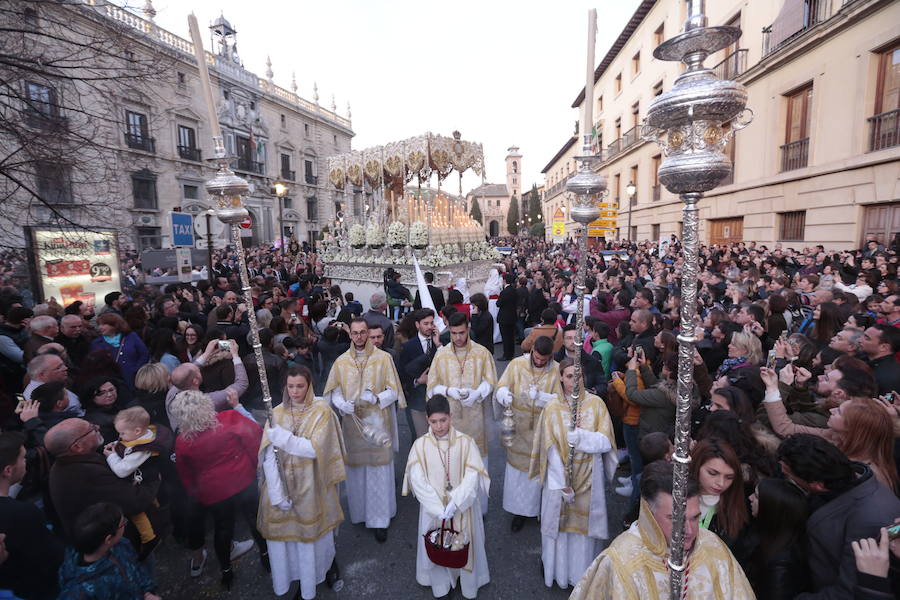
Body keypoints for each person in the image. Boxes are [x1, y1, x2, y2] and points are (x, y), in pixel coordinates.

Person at [570, 460, 754, 599]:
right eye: (675, 520)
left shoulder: (713, 547)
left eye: (695, 517)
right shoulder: (619, 561)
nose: (689, 531)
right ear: (649, 514)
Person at [528, 358, 618, 589]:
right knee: (560, 529)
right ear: (560, 377)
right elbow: (547, 448)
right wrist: (560, 483)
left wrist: (583, 439)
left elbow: (607, 441)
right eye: (569, 376)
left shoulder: (596, 404)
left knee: (582, 534)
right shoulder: (552, 407)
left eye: (578, 376)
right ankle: (556, 572)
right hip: (558, 480)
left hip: (590, 475)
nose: (574, 381)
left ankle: (581, 576)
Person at [257, 366, 345, 599]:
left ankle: (321, 574)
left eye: (300, 386)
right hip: (282, 487)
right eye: (291, 386)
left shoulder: (321, 412)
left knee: (315, 539)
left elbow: (314, 449)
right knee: (287, 542)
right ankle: (295, 579)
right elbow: (268, 457)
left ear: (309, 386)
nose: (295, 391)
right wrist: (276, 494)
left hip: (311, 485)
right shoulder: (275, 413)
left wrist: (283, 439)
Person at [778, 434, 900, 598]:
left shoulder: (869, 520)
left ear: (818, 485)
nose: (787, 477)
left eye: (790, 476)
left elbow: (851, 591)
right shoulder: (843, 479)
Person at [170, 390, 266, 589]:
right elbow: (255, 438)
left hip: (213, 491)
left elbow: (185, 472)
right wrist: (259, 468)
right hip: (242, 480)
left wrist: (196, 493)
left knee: (223, 529)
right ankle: (266, 557)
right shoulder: (229, 418)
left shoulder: (182, 441)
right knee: (255, 519)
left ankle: (226, 572)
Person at [323, 318, 405, 543]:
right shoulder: (341, 362)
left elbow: (394, 390)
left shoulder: (383, 358)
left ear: (369, 334)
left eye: (363, 333)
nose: (359, 337)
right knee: (357, 472)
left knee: (378, 472)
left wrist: (378, 397)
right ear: (350, 334)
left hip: (378, 423)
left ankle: (380, 520)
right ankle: (360, 514)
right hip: (353, 426)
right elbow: (334, 389)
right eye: (355, 333)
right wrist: (340, 404)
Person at [402, 395, 490, 599]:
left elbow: (472, 475)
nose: (439, 426)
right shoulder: (420, 446)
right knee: (437, 543)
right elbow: (417, 479)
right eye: (434, 421)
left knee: (463, 543)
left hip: (461, 506)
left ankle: (466, 582)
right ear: (427, 419)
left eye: (443, 420)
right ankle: (441, 584)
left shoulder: (466, 442)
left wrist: (456, 502)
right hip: (434, 509)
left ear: (451, 417)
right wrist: (436, 507)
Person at [45, 418, 159, 541]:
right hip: (111, 544)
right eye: (92, 429)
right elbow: (135, 501)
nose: (98, 427)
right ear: (77, 447)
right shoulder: (84, 474)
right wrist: (154, 477)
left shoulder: (68, 464)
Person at [427, 312, 497, 510]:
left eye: (462, 333)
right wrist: (449, 391)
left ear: (468, 329)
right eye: (454, 332)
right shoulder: (441, 354)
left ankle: (478, 507)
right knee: (452, 463)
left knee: (476, 462)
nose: (458, 337)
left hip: (476, 419)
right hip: (450, 420)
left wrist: (478, 393)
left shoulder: (482, 352)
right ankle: (454, 504)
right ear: (449, 330)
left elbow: (491, 381)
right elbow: (432, 386)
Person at [494, 336, 563, 532]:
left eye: (544, 359)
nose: (540, 362)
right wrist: (503, 395)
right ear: (532, 349)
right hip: (518, 428)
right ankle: (519, 512)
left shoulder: (557, 370)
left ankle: (538, 509)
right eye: (537, 357)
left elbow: (563, 401)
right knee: (518, 474)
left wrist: (543, 398)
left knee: (538, 474)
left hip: (542, 432)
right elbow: (502, 385)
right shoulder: (517, 364)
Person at [103, 406, 173, 560]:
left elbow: (122, 470)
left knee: (136, 511)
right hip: (148, 479)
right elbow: (127, 443)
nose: (120, 436)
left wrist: (111, 456)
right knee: (152, 504)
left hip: (144, 482)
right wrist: (117, 444)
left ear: (137, 431)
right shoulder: (141, 435)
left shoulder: (142, 450)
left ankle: (149, 538)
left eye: (122, 433)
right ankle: (159, 516)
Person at [0, 431, 64, 600]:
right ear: (8, 470)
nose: (26, 461)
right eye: (23, 458)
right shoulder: (22, 514)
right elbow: (53, 558)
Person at [57, 503, 160, 600]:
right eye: (122, 522)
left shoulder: (122, 544)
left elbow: (136, 568)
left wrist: (148, 591)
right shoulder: (79, 590)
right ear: (108, 539)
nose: (125, 522)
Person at [745, 478, 810, 600]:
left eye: (757, 496)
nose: (750, 498)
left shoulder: (781, 563)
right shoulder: (765, 533)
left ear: (771, 507)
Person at [165, 338, 248, 431]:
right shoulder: (207, 401)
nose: (199, 368)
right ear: (195, 381)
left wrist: (207, 353)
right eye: (198, 371)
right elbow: (241, 384)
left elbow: (188, 371)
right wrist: (235, 355)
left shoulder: (171, 393)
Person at [689, 438, 750, 560]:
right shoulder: (671, 495)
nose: (721, 483)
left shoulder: (735, 508)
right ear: (696, 466)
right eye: (712, 473)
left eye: (729, 477)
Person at [399, 309, 440, 440]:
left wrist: (438, 344)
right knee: (418, 438)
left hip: (437, 398)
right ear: (417, 325)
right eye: (425, 323)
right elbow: (402, 374)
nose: (429, 327)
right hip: (416, 400)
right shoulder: (408, 346)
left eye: (431, 323)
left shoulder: (439, 343)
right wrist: (418, 381)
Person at [89, 312, 149, 390]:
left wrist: (136, 369)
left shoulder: (131, 336)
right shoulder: (96, 343)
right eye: (99, 325)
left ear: (114, 325)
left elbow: (144, 354)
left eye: (103, 324)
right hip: (113, 383)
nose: (100, 327)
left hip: (135, 379)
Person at [496, 273, 518, 361]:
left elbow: (498, 304)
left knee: (505, 337)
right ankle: (511, 353)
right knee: (511, 336)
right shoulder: (514, 290)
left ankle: (506, 354)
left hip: (504, 317)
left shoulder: (504, 292)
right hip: (512, 316)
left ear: (505, 281)